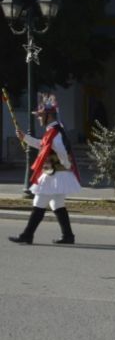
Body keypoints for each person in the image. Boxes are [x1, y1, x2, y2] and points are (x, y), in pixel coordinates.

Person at [9, 93, 81, 245]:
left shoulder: (54, 132)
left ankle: (27, 235)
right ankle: (68, 236)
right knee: (57, 204)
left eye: (41, 115)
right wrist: (25, 138)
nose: (38, 118)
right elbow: (43, 145)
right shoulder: (53, 130)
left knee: (39, 201)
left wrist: (66, 165)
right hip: (56, 172)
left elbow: (62, 151)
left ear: (49, 116)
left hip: (54, 173)